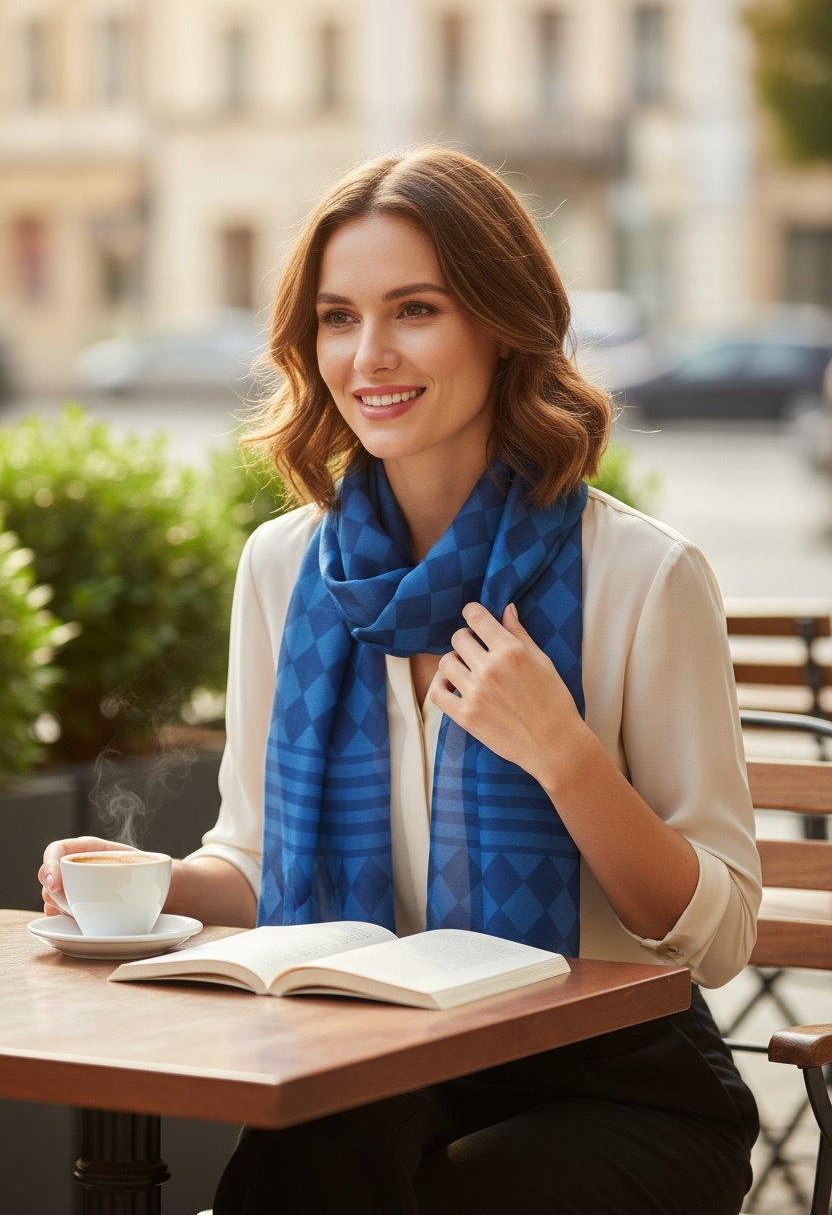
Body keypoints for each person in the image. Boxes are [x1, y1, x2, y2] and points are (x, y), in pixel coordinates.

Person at [40, 146, 761, 1214]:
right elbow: (253, 864)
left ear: (502, 324)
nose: (369, 354)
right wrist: (146, 883)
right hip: (370, 1063)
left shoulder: (641, 575)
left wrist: (565, 757)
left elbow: (721, 935)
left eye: (415, 309)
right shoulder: (283, 568)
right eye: (338, 318)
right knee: (316, 1149)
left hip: (616, 1082)